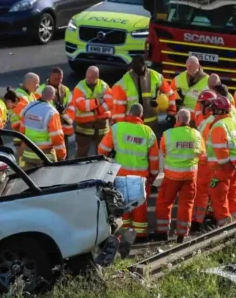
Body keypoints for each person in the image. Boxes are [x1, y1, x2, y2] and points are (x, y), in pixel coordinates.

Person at [98, 103, 159, 240]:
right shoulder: (148, 132)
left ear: (128, 114)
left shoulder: (117, 128)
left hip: (120, 176)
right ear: (141, 116)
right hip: (140, 178)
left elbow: (102, 150)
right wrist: (153, 176)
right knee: (139, 208)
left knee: (122, 207)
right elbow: (154, 159)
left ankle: (122, 237)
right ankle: (140, 237)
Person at [154, 109, 205, 242]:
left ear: (177, 119)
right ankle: (182, 234)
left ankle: (163, 232)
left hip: (172, 176)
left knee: (165, 202)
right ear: (189, 120)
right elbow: (202, 154)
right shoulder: (197, 135)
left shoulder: (168, 134)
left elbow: (164, 152)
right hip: (190, 176)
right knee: (187, 204)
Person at [207, 96, 236, 227]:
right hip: (234, 165)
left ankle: (224, 225)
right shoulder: (235, 123)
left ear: (218, 110)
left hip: (221, 167)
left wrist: (224, 165)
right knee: (232, 193)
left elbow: (221, 150)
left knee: (219, 196)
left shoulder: (219, 126)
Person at [111, 55, 176, 135]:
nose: (136, 71)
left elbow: (170, 94)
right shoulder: (123, 82)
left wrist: (171, 113)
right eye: (134, 68)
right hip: (132, 124)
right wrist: (121, 127)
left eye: (138, 68)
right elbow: (118, 109)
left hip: (151, 123)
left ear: (144, 65)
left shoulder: (156, 76)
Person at [20, 86, 67, 167]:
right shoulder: (52, 112)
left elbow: (22, 129)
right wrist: (61, 155)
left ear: (41, 94)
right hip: (45, 156)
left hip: (28, 154)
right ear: (53, 97)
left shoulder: (28, 107)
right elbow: (57, 137)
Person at [71, 66, 112, 157]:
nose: (88, 79)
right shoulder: (79, 87)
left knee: (102, 154)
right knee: (81, 154)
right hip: (84, 127)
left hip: (101, 127)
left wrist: (97, 110)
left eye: (91, 77)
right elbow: (82, 106)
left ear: (97, 77)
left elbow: (110, 102)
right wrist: (98, 101)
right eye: (87, 77)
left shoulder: (104, 86)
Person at [191, 90, 217, 232]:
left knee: (201, 192)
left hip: (205, 162)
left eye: (202, 104)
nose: (199, 107)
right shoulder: (212, 120)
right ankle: (212, 215)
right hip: (214, 162)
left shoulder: (208, 122)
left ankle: (197, 221)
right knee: (213, 191)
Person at [36, 67, 74, 146]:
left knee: (63, 153)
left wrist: (65, 118)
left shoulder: (65, 90)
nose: (59, 81)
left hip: (62, 129)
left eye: (61, 78)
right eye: (56, 79)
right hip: (47, 130)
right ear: (50, 77)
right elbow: (37, 110)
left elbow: (71, 106)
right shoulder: (40, 90)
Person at [11, 73, 41, 161]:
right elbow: (25, 113)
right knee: (22, 158)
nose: (38, 85)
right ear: (28, 83)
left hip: (26, 132)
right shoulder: (18, 96)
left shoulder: (30, 94)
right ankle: (22, 173)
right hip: (20, 133)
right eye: (36, 83)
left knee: (27, 158)